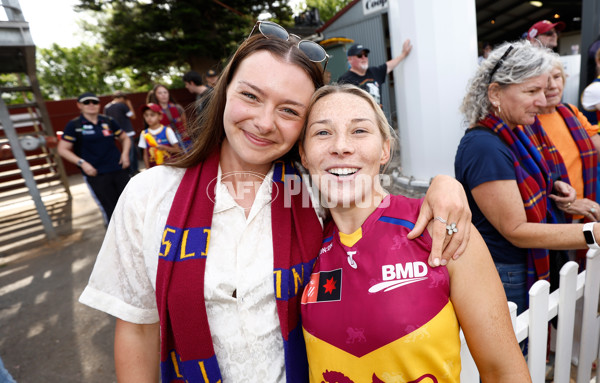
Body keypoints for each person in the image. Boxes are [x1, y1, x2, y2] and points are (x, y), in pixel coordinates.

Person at [79, 20, 471, 383]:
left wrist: (444, 184)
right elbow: (137, 326)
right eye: (251, 96)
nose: (265, 122)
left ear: (303, 129)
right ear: (224, 93)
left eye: (288, 110)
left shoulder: (318, 195)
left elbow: (383, 205)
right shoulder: (149, 195)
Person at [299, 83, 530, 383]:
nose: (341, 146)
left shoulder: (443, 230)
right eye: (322, 132)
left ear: (385, 149)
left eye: (359, 131)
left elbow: (504, 373)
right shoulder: (303, 247)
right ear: (303, 154)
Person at [455, 40, 600, 315]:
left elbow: (532, 174)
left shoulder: (516, 131)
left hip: (524, 265)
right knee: (520, 348)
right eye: (532, 91)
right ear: (495, 93)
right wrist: (592, 233)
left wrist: (556, 183)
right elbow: (517, 231)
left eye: (543, 90)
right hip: (509, 271)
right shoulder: (484, 147)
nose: (543, 101)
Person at [537, 55, 600, 224]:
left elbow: (597, 147)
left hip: (586, 209)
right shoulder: (524, 123)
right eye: (544, 79)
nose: (552, 86)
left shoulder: (570, 111)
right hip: (554, 217)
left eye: (557, 77)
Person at [57, 92, 131, 225]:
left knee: (130, 205)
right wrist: (82, 163)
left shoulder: (108, 121)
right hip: (96, 175)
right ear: (79, 105)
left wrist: (125, 154)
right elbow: (62, 149)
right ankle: (115, 242)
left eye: (94, 102)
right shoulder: (74, 125)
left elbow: (125, 137)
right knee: (111, 211)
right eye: (86, 102)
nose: (91, 105)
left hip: (118, 170)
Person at [337, 41, 412, 107]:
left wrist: (404, 54)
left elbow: (389, 65)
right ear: (350, 59)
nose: (364, 58)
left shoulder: (375, 72)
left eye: (365, 55)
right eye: (359, 55)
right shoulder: (345, 79)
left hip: (378, 119)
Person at [104, 90, 139, 176]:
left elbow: (106, 121)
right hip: (127, 132)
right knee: (131, 152)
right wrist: (129, 104)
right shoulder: (122, 105)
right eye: (124, 99)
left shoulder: (107, 107)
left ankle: (132, 170)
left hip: (116, 134)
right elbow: (133, 116)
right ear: (120, 98)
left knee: (127, 152)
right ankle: (132, 171)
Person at [146, 84, 190, 151]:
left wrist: (185, 132)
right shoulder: (154, 111)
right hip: (166, 140)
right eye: (160, 93)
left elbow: (184, 121)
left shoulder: (177, 107)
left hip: (182, 137)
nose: (163, 95)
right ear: (155, 95)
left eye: (165, 92)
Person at [138, 103, 182, 168]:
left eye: (152, 115)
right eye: (146, 115)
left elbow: (178, 150)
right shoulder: (144, 133)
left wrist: (165, 148)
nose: (149, 118)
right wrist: (148, 169)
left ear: (160, 116)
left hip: (170, 167)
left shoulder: (167, 131)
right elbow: (145, 155)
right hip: (154, 169)